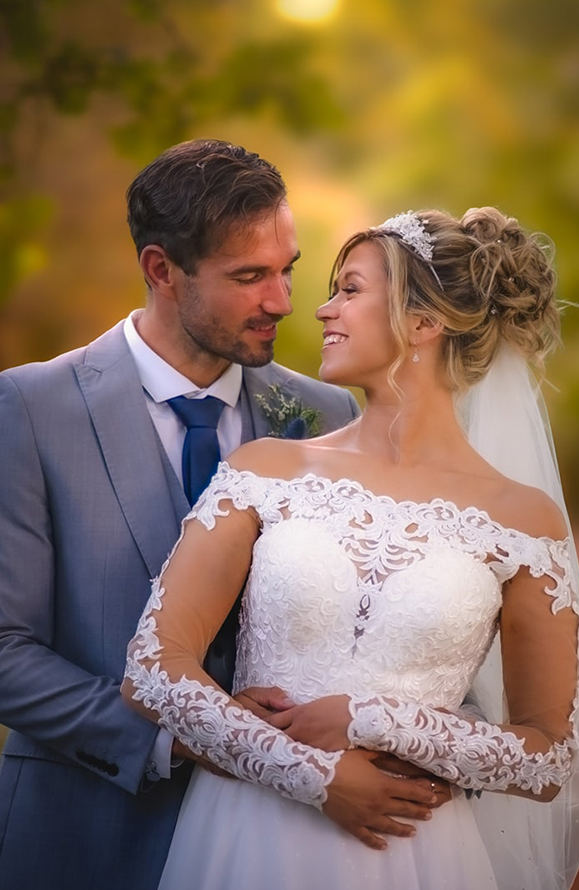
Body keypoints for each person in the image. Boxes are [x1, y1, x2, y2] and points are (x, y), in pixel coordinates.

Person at [0, 138, 441, 890]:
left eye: (288, 269)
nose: (283, 301)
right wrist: (193, 740)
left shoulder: (327, 412)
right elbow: (6, 652)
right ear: (161, 270)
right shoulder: (30, 408)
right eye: (249, 277)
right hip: (88, 834)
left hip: (290, 846)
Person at [122, 206, 579, 890]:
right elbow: (151, 667)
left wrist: (378, 721)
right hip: (247, 838)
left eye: (349, 289)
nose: (320, 310)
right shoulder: (266, 471)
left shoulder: (524, 520)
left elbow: (548, 760)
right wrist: (311, 775)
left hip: (417, 854)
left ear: (423, 321)